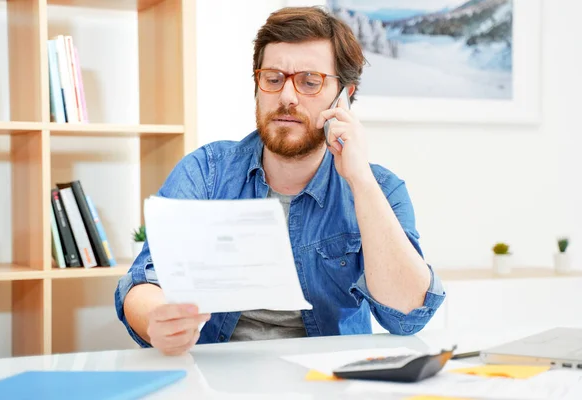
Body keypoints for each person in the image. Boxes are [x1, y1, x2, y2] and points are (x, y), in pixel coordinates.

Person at [115, 6, 445, 356]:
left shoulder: (380, 189)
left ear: (344, 96)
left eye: (309, 81)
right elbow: (144, 280)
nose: (287, 97)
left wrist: (360, 179)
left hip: (328, 381)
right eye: (273, 79)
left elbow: (408, 316)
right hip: (214, 379)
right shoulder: (206, 173)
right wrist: (157, 319)